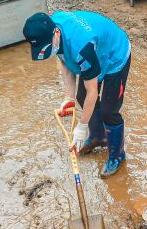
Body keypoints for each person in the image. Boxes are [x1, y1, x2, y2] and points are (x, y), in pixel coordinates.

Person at [23, 11, 131, 177]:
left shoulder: (81, 47)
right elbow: (65, 62)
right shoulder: (51, 27)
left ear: (56, 33)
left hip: (114, 56)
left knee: (109, 110)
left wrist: (81, 127)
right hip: (95, 53)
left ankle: (117, 156)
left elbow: (92, 91)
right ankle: (98, 137)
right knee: (80, 97)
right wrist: (69, 97)